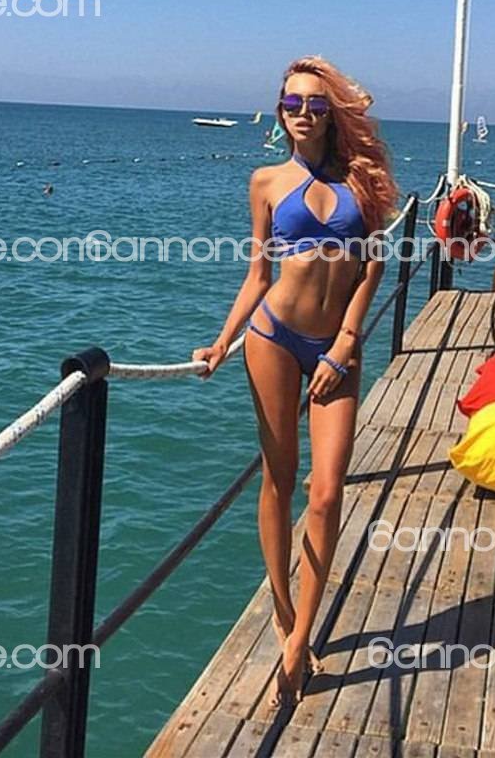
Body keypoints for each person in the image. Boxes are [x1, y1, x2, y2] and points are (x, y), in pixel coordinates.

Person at [192, 56, 399, 706]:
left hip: (338, 348)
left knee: (328, 492)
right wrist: (222, 341)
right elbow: (258, 275)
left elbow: (373, 264)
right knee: (278, 479)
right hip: (273, 339)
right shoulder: (265, 182)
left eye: (315, 103)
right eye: (292, 103)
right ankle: (285, 616)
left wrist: (346, 341)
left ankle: (303, 631)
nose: (303, 113)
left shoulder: (360, 179)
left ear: (331, 113)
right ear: (279, 111)